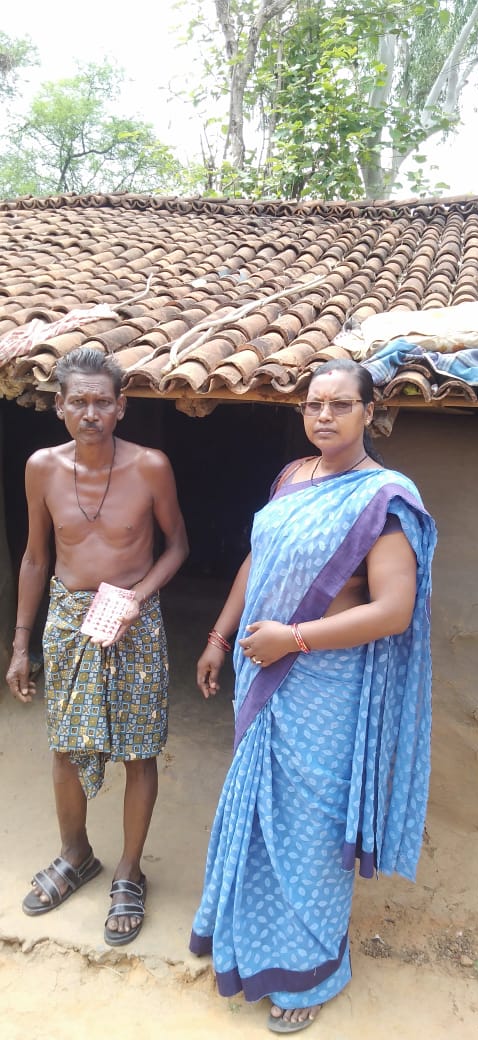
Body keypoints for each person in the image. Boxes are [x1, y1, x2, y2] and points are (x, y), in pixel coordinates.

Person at [190, 359, 436, 1033]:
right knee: (263, 820)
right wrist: (219, 634)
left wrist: (291, 639)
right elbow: (255, 559)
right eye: (312, 405)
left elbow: (392, 608)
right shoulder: (291, 480)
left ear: (369, 413)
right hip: (262, 678)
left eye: (339, 404)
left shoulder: (380, 498)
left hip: (325, 692)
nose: (323, 415)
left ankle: (312, 972)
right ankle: (255, 945)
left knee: (310, 836)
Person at [6, 347, 188, 946]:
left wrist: (138, 597)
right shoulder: (42, 468)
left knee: (139, 749)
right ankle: (76, 854)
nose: (91, 413)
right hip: (67, 620)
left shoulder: (151, 466)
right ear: (58, 406)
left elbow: (176, 546)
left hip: (134, 621)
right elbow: (36, 556)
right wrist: (21, 643)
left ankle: (130, 871)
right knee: (66, 743)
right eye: (78, 402)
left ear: (121, 407)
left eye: (102, 402)